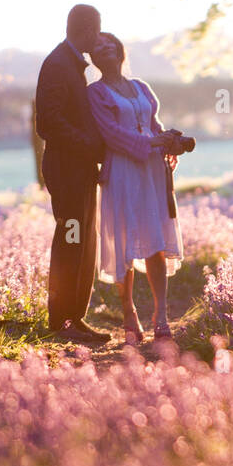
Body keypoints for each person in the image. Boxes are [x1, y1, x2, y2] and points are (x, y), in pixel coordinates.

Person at [87, 32, 184, 348]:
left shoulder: (141, 86)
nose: (105, 49)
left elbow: (152, 123)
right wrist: (150, 142)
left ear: (119, 51)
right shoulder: (96, 93)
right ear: (94, 58)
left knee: (156, 236)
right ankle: (128, 312)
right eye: (98, 47)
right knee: (126, 237)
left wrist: (168, 139)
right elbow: (110, 134)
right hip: (124, 170)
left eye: (109, 44)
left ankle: (161, 315)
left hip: (152, 169)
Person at [33, 4, 110, 344]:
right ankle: (64, 320)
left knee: (82, 240)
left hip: (78, 166)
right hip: (67, 168)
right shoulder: (58, 64)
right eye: (97, 30)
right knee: (72, 238)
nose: (100, 37)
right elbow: (48, 122)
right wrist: (89, 145)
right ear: (88, 29)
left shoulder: (72, 63)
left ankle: (72, 317)